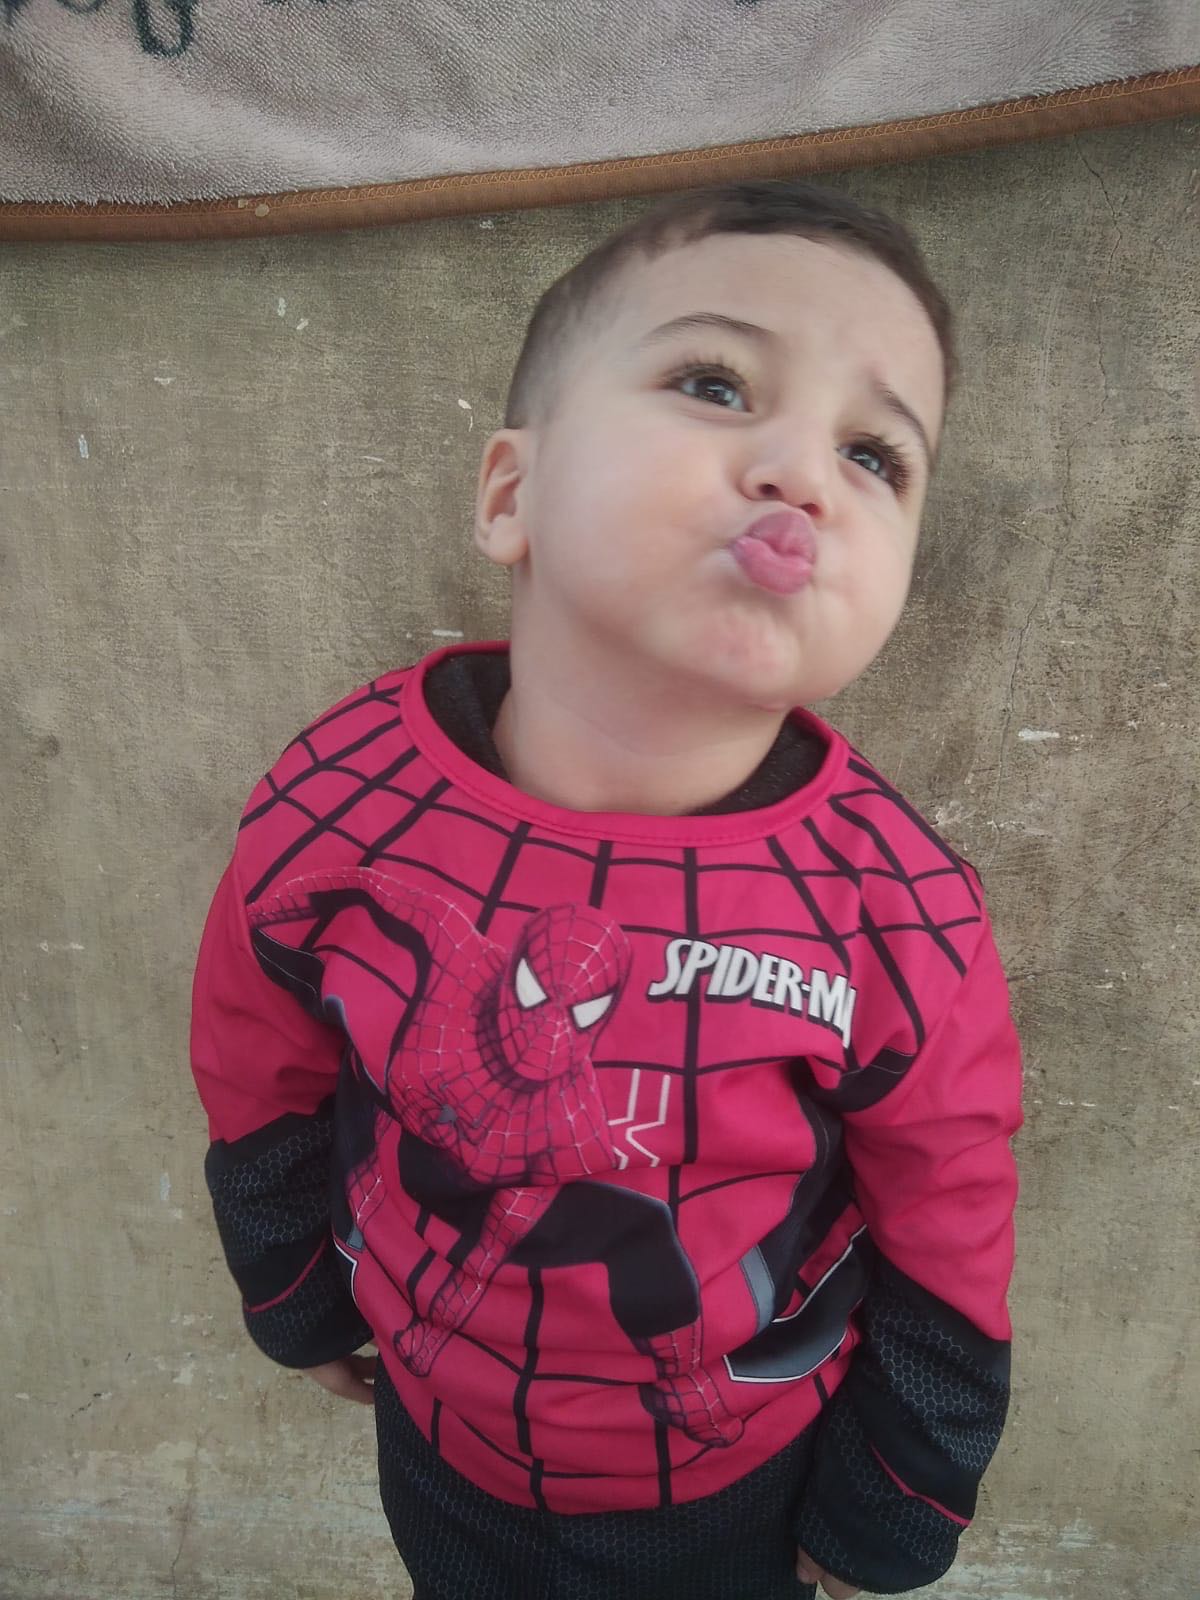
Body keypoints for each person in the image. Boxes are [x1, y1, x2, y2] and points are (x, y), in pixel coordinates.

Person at [190, 179, 1023, 1600]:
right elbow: (258, 1052)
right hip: (434, 1438)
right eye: (716, 383)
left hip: (740, 1486)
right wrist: (290, 1284)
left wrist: (897, 1495)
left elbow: (951, 1212)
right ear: (511, 495)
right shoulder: (345, 799)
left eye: (876, 454)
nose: (801, 473)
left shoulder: (898, 908)